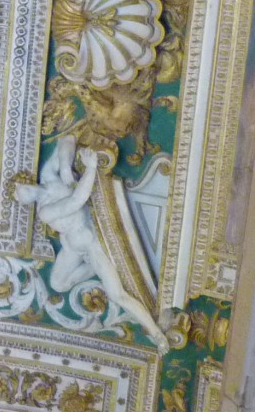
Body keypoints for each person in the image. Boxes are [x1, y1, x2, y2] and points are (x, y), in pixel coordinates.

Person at [14, 136, 167, 346]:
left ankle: (156, 333)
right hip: (73, 246)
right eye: (16, 196)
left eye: (16, 189)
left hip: (90, 243)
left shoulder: (47, 175)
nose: (17, 194)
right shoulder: (44, 212)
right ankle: (93, 269)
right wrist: (91, 168)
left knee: (117, 294)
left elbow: (67, 140)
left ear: (24, 181)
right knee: (57, 284)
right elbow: (76, 200)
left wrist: (66, 168)